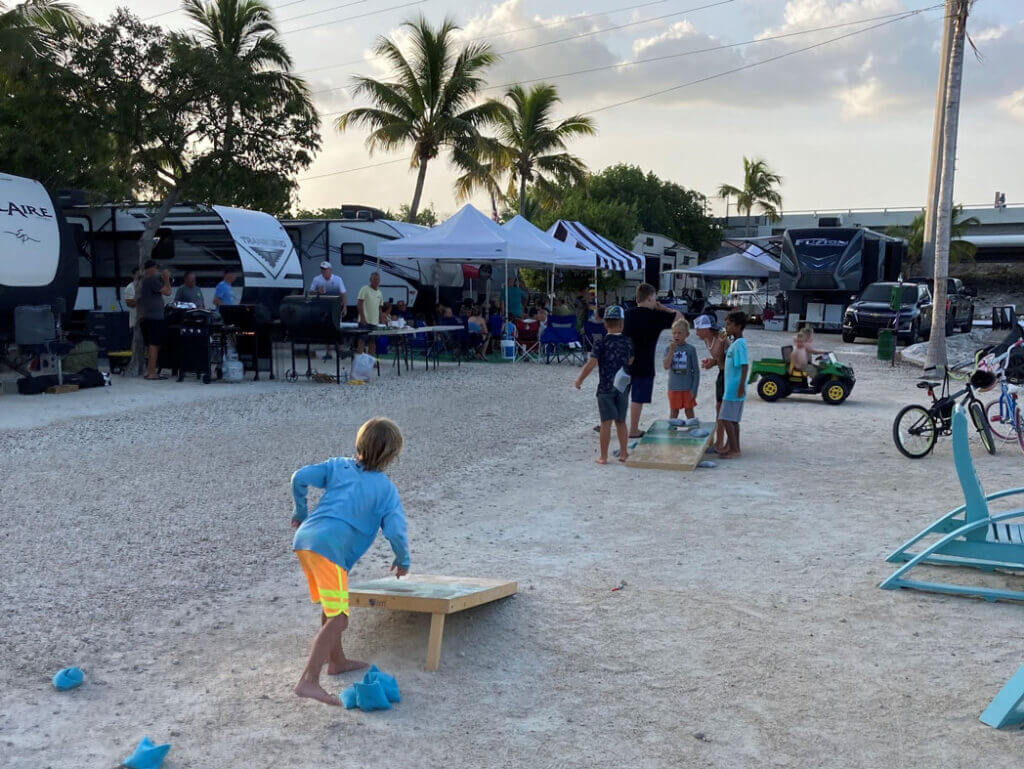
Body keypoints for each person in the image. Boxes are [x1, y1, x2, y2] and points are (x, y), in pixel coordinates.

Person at [289, 418, 409, 707]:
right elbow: (394, 531)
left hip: (307, 540)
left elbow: (299, 477)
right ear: (393, 455)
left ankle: (337, 661)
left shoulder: (337, 466)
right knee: (340, 619)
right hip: (330, 550)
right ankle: (308, 680)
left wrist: (301, 509)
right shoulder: (386, 490)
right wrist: (402, 559)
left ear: (359, 444)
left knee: (333, 610)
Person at [575, 305, 634, 465]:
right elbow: (631, 362)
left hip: (605, 388)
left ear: (605, 324)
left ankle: (604, 456)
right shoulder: (628, 342)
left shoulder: (600, 342)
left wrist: (580, 379)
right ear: (622, 323)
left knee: (605, 423)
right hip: (622, 387)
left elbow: (591, 363)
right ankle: (623, 453)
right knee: (621, 421)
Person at [623, 283, 682, 438]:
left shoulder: (628, 314)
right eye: (655, 297)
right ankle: (634, 429)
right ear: (650, 298)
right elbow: (680, 319)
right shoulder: (656, 315)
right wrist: (664, 308)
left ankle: (609, 423)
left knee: (620, 393)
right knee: (637, 398)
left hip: (625, 360)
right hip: (644, 363)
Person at [718, 311, 749, 459]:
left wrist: (741, 385)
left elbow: (744, 365)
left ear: (738, 326)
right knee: (733, 419)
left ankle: (734, 449)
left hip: (734, 387)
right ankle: (733, 446)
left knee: (725, 418)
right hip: (732, 386)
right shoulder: (735, 343)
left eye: (729, 324)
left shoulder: (740, 344)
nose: (726, 327)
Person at [695, 315, 728, 454]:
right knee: (719, 408)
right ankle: (718, 441)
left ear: (707, 329)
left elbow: (720, 353)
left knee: (722, 409)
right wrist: (712, 362)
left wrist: (714, 359)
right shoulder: (708, 339)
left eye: (698, 329)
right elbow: (718, 357)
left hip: (728, 374)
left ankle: (720, 442)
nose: (696, 333)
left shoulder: (720, 338)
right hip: (722, 372)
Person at [138, 260, 172, 380]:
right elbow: (168, 292)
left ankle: (149, 371)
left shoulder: (143, 280)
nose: (158, 271)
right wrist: (166, 278)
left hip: (146, 317)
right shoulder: (152, 279)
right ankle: (152, 373)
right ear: (152, 268)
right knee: (154, 345)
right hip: (154, 318)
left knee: (150, 345)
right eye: (157, 269)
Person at [664, 318, 700, 425]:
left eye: (680, 333)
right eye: (674, 333)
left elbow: (696, 371)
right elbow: (666, 366)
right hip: (674, 388)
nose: (676, 336)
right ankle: (672, 435)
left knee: (689, 412)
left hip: (687, 388)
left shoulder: (691, 349)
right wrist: (671, 350)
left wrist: (694, 389)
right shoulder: (668, 348)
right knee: (674, 412)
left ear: (687, 334)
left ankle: (693, 434)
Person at [357, 271, 384, 355]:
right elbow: (359, 304)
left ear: (379, 281)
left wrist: (381, 318)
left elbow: (379, 307)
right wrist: (362, 318)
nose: (376, 281)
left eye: (377, 279)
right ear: (370, 280)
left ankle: (370, 362)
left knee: (372, 343)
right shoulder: (364, 289)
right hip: (365, 321)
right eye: (374, 279)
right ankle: (359, 361)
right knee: (362, 341)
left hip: (374, 322)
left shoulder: (380, 293)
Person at [122, 267, 140, 337]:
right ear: (133, 276)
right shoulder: (130, 287)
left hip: (146, 320)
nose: (139, 276)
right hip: (135, 322)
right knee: (136, 340)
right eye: (137, 274)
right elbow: (129, 303)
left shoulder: (145, 286)